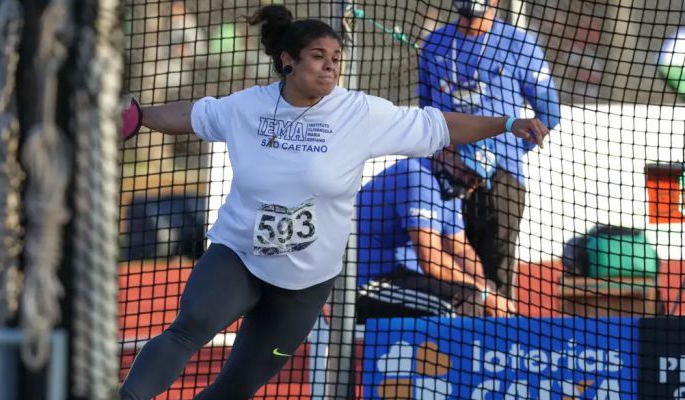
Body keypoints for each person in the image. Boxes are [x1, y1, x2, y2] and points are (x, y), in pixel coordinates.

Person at [119, 5, 548, 399]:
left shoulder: (358, 113)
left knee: (239, 384)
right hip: (240, 255)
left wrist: (507, 122)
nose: (330, 66)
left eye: (336, 58)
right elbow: (190, 115)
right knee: (187, 329)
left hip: (305, 282)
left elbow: (440, 124)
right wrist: (137, 115)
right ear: (288, 60)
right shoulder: (247, 107)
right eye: (318, 56)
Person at [417, 0, 561, 300]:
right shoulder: (435, 44)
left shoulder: (518, 43)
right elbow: (425, 114)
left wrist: (507, 152)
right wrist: (445, 156)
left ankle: (495, 341)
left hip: (501, 180)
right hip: (445, 179)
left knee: (496, 278)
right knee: (452, 277)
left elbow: (549, 113)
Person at [356, 140, 515, 320]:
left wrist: (486, 286)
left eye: (476, 180)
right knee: (461, 303)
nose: (470, 185)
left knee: (486, 298)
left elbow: (461, 249)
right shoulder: (417, 175)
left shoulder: (451, 190)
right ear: (447, 152)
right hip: (372, 283)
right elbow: (431, 260)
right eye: (467, 172)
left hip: (408, 278)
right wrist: (483, 292)